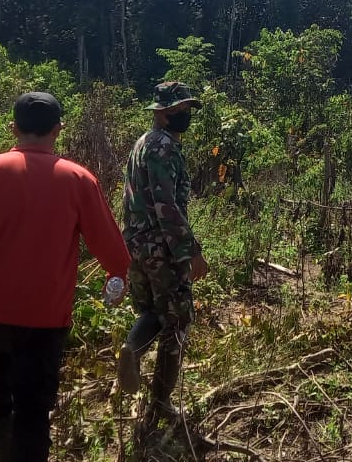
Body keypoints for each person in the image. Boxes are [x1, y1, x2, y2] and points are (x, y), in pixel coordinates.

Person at [0, 92, 131, 462]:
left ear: (13, 128)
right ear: (58, 129)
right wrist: (117, 278)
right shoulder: (78, 179)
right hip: (43, 321)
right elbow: (112, 250)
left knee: (1, 407)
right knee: (33, 414)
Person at [116, 81, 210, 439]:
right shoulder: (165, 148)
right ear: (160, 113)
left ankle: (131, 348)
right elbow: (166, 206)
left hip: (137, 245)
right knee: (179, 320)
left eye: (185, 110)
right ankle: (161, 403)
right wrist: (190, 250)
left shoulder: (143, 143)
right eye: (177, 111)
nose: (183, 116)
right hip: (162, 247)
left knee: (154, 312)